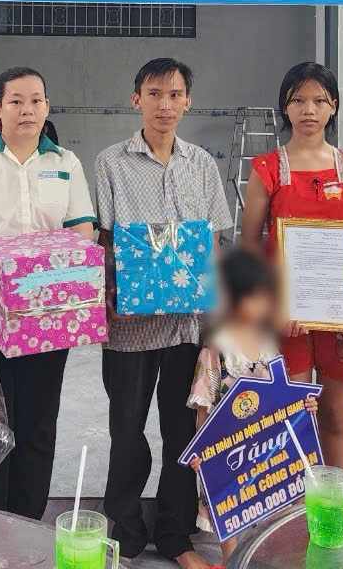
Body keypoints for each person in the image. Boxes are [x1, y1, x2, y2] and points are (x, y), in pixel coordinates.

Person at [0, 67, 97, 519]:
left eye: (37, 100)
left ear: (47, 107)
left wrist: (66, 286)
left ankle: (27, 523)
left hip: (49, 315)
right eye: (17, 101)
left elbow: (82, 230)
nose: (27, 110)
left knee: (38, 422)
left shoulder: (66, 163)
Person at [93, 58, 232, 569]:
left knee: (183, 430)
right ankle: (125, 532)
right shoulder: (111, 162)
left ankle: (175, 535)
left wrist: (216, 323)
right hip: (129, 326)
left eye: (175, 94)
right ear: (137, 100)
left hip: (187, 326)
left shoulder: (201, 164)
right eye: (154, 93)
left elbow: (214, 245)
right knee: (126, 429)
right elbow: (106, 241)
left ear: (187, 101)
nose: (165, 104)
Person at [239, 62, 343, 471]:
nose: (309, 109)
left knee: (335, 416)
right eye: (298, 100)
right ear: (285, 108)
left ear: (333, 106)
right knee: (289, 416)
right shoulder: (266, 170)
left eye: (319, 100)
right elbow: (249, 246)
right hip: (288, 318)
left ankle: (332, 506)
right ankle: (290, 513)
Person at [186, 252, 318, 560]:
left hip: (264, 447)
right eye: (254, 297)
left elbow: (282, 396)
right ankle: (232, 562)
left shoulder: (268, 344)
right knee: (227, 511)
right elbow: (204, 404)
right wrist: (201, 451)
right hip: (227, 450)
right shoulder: (216, 351)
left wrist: (304, 406)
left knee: (265, 506)